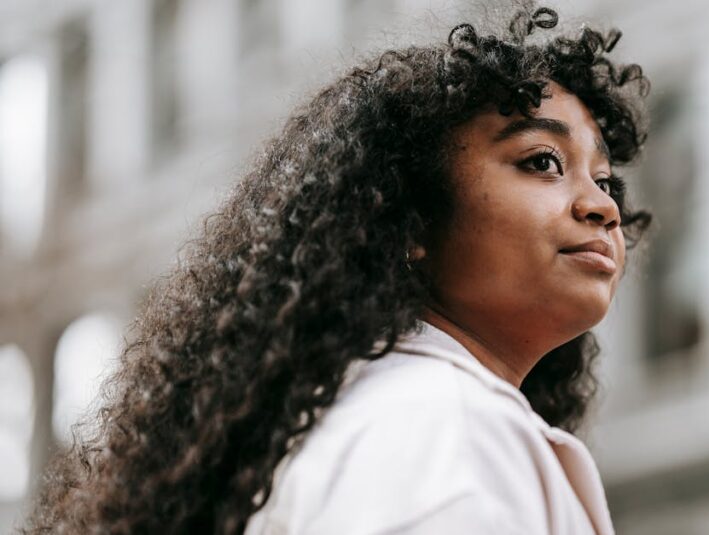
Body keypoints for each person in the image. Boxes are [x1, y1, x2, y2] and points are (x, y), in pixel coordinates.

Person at [20, 3, 651, 534]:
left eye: (604, 179)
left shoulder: (377, 422)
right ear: (412, 220)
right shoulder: (442, 434)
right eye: (541, 161)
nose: (602, 206)